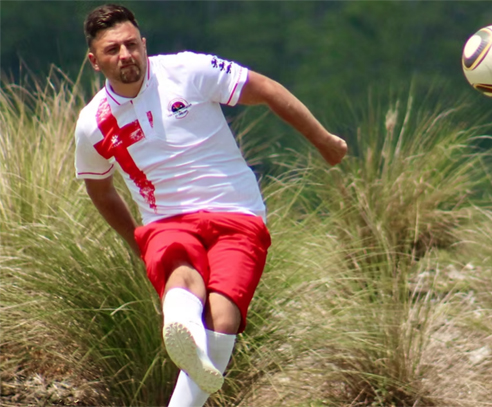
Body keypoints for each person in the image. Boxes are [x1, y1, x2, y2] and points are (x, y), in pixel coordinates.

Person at [75, 3, 347, 407]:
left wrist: (323, 140)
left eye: (131, 44)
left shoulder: (188, 70)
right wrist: (139, 243)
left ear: (144, 44)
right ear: (95, 61)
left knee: (223, 318)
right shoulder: (92, 124)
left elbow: (266, 90)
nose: (126, 55)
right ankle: (182, 327)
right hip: (166, 221)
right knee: (180, 270)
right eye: (113, 49)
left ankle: (187, 334)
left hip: (236, 212)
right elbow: (100, 191)